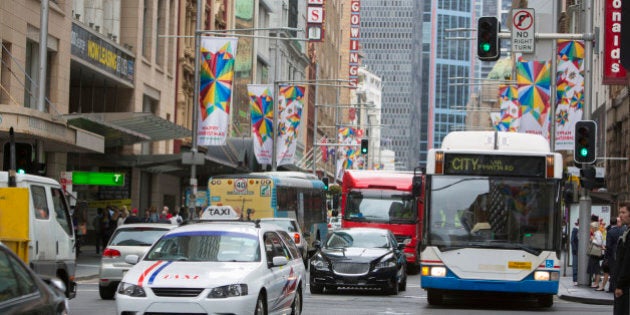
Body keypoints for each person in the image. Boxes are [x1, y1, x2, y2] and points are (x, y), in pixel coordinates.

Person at [614, 202, 630, 315]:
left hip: (626, 287)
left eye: (623, 212)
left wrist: (620, 285)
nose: (620, 215)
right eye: (620, 212)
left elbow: (627, 261)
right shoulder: (626, 231)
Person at [606, 216, 625, 292]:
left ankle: (612, 288)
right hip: (619, 254)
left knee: (612, 271)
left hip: (612, 255)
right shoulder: (623, 230)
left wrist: (606, 256)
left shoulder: (610, 231)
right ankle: (614, 287)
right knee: (617, 271)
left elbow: (608, 245)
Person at [588, 221, 604, 288]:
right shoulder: (597, 233)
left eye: (591, 227)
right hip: (595, 253)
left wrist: (592, 240)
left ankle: (596, 283)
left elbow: (599, 243)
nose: (590, 228)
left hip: (595, 253)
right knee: (595, 268)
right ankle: (595, 283)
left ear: (594, 227)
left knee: (596, 268)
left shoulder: (597, 233)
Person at [571, 219, 579, 285]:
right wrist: (574, 249)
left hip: (581, 251)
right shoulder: (575, 230)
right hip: (576, 251)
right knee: (575, 265)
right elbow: (572, 241)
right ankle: (575, 279)